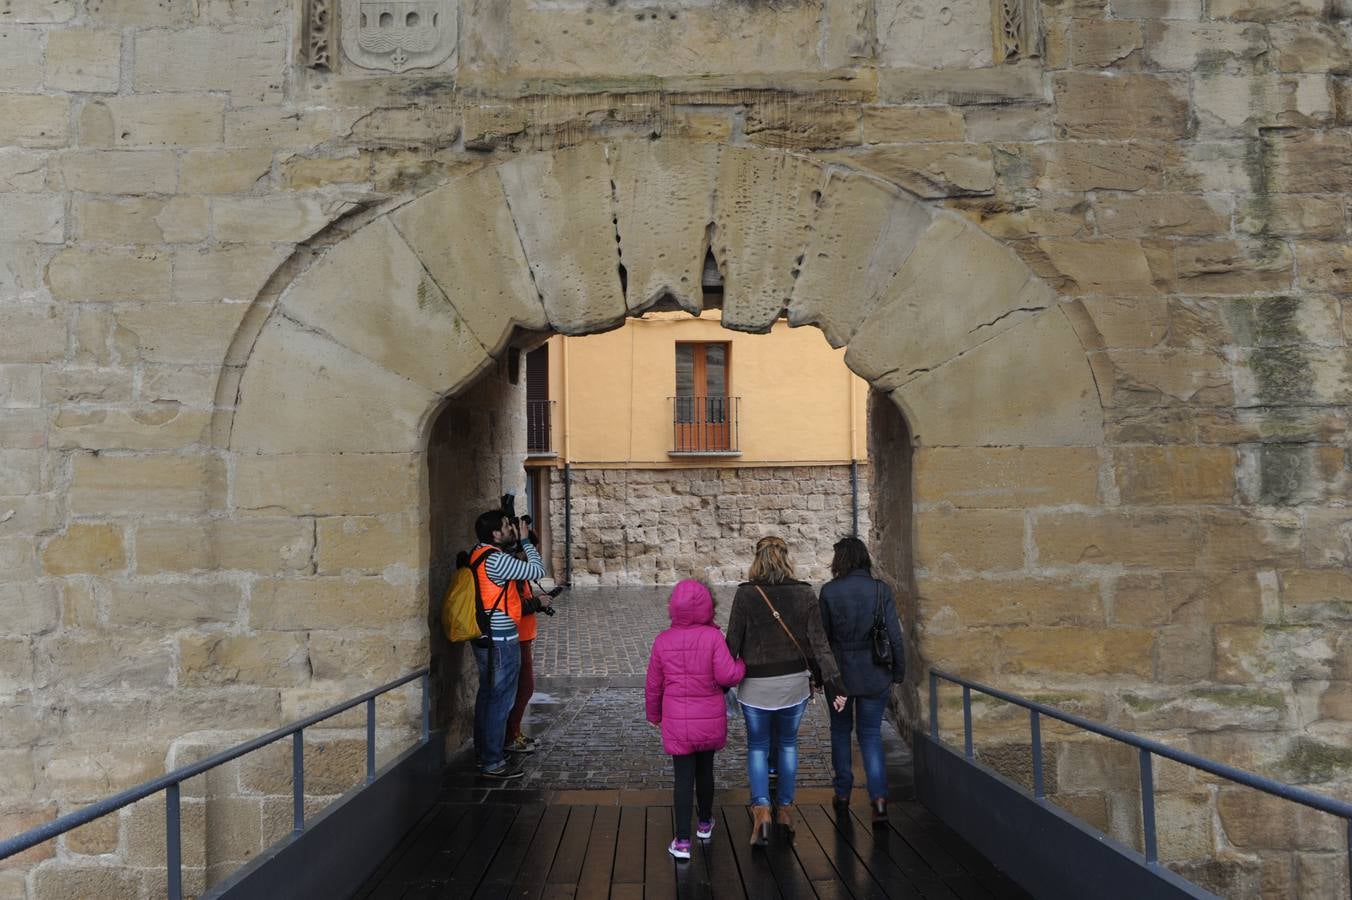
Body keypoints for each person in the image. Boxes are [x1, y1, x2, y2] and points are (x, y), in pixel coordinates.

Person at [726, 536, 842, 846]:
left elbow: (732, 642)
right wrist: (833, 681)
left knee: (757, 747)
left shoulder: (746, 595)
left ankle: (762, 809)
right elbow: (819, 643)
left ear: (757, 559)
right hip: (793, 682)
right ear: (786, 558)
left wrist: (722, 680)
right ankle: (786, 810)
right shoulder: (804, 593)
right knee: (788, 744)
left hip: (755, 684)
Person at [645, 580, 745, 860]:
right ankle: (704, 823)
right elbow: (728, 676)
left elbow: (653, 684)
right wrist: (742, 664)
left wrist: (654, 715)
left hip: (677, 722)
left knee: (682, 779)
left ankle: (682, 841)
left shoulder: (663, 640)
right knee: (705, 773)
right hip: (709, 720)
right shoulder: (713, 638)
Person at [818, 536, 905, 825]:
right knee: (870, 736)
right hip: (875, 674)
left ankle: (842, 793)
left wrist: (821, 677)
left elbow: (823, 641)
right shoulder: (881, 591)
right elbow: (894, 636)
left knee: (840, 732)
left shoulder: (830, 592)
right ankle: (878, 799)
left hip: (840, 677)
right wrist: (898, 672)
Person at [467, 508, 547, 779]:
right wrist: (525, 540)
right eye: (505, 525)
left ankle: (483, 755)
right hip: (500, 639)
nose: (510, 528)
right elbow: (537, 569)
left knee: (488, 697)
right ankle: (493, 761)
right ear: (495, 533)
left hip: (485, 636)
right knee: (500, 700)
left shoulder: (478, 552)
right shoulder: (496, 560)